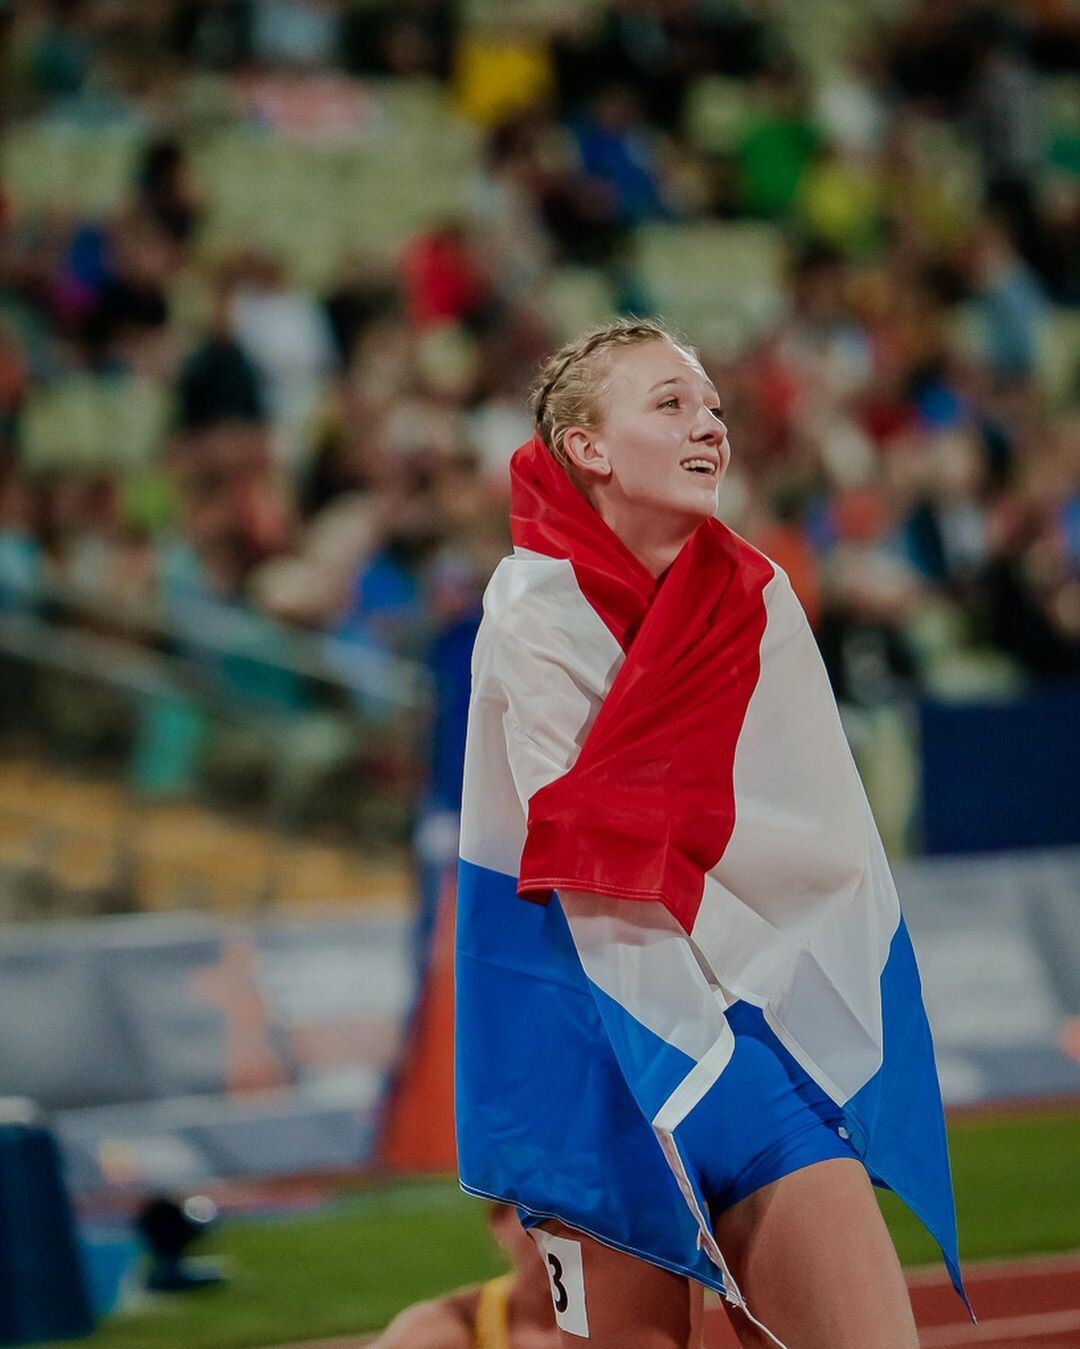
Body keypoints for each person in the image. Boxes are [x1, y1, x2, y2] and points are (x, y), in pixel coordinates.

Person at [455, 318, 968, 1349]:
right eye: (671, 404)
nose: (710, 427)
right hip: (593, 1059)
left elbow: (815, 835)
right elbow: (579, 835)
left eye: (715, 408)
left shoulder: (760, 597)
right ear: (590, 447)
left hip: (748, 1040)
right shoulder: (530, 608)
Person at [371, 1203, 558, 1348]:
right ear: (498, 1222)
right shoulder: (447, 1328)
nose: (559, 1237)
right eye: (541, 1214)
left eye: (571, 1216)